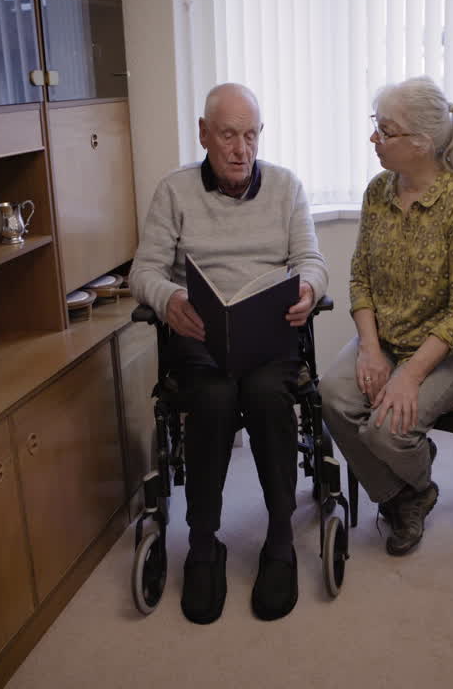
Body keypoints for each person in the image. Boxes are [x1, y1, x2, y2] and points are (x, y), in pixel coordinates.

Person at [130, 83, 328, 624]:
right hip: (200, 336)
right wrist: (167, 296)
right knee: (213, 400)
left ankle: (280, 539)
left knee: (267, 396)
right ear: (203, 134)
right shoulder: (173, 192)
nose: (241, 149)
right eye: (227, 135)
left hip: (268, 335)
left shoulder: (287, 187)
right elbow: (142, 271)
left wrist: (309, 288)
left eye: (250, 135)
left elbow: (311, 260)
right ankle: (202, 543)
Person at [320, 76, 453, 556]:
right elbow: (360, 279)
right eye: (376, 126)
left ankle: (402, 468)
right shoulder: (378, 191)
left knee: (384, 429)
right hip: (388, 339)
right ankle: (410, 490)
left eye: (385, 130)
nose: (374, 139)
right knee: (332, 396)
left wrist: (409, 376)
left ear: (422, 143)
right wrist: (371, 352)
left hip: (452, 350)